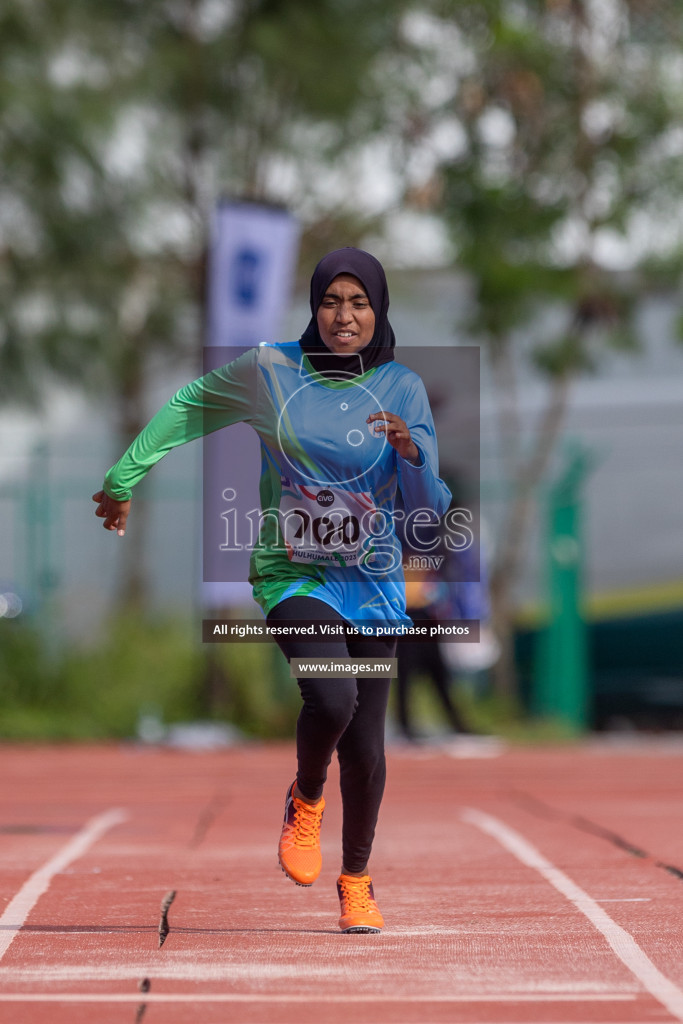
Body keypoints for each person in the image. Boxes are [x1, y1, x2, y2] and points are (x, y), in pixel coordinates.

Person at [93, 247, 451, 934]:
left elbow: (428, 509)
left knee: (368, 745)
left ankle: (356, 881)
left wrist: (411, 455)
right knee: (331, 693)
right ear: (313, 307)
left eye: (358, 303)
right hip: (294, 570)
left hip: (374, 580)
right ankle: (305, 796)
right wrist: (123, 478)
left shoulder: (400, 387)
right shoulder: (270, 370)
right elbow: (187, 406)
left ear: (378, 311)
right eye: (330, 301)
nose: (343, 316)